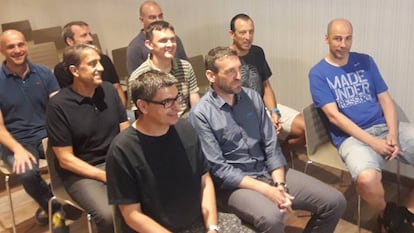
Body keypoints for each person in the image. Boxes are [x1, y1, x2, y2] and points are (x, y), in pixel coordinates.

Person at [189, 46, 346, 233]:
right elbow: (219, 169)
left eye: (239, 69)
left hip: (266, 171)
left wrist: (278, 184)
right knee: (272, 217)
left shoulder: (253, 98)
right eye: (230, 71)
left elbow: (271, 145)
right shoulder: (201, 114)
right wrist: (267, 191)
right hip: (234, 186)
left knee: (335, 202)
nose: (239, 76)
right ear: (211, 75)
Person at [309, 18, 414, 232]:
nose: (343, 44)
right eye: (337, 38)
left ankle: (409, 213)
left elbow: (385, 99)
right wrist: (374, 143)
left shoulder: (365, 61)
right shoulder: (318, 73)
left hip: (383, 127)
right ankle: (389, 215)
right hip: (351, 138)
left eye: (348, 38)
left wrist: (392, 133)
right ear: (326, 38)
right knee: (366, 180)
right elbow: (334, 117)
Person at [107, 70, 227, 233]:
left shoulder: (186, 129)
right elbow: (132, 214)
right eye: (167, 102)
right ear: (143, 106)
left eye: (177, 98)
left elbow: (204, 181)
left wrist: (212, 227)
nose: (177, 107)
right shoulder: (122, 149)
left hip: (196, 224)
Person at [47, 44, 129, 233]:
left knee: (153, 195)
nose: (100, 68)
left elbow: (125, 132)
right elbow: (66, 159)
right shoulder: (58, 105)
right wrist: (104, 176)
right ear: (74, 70)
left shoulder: (108, 90)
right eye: (92, 63)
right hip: (81, 172)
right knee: (109, 215)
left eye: (99, 62)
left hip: (115, 162)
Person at [0, 29, 60, 225]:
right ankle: (55, 210)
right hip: (15, 141)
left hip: (46, 135)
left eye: (21, 44)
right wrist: (18, 150)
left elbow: (58, 110)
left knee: (77, 155)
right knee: (27, 173)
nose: (17, 50)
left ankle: (63, 199)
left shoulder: (44, 73)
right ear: (2, 50)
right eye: (11, 46)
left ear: (26, 45)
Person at [229, 13, 305, 155]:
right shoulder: (226, 59)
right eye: (242, 32)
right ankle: (271, 159)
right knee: (263, 135)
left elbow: (266, 87)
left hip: (264, 107)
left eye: (251, 32)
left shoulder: (257, 52)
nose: (248, 37)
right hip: (242, 114)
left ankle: (280, 157)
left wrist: (274, 112)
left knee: (306, 129)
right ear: (232, 34)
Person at [128, 20, 199, 118]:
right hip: (158, 127)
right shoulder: (138, 77)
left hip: (186, 122)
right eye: (163, 41)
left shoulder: (185, 67)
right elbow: (140, 116)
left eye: (173, 39)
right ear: (149, 44)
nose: (170, 45)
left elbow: (195, 102)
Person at [54, 21, 127, 107]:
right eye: (84, 35)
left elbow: (117, 88)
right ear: (70, 41)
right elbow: (71, 102)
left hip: (112, 108)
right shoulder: (62, 70)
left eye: (90, 34)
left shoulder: (104, 59)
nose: (90, 39)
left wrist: (122, 112)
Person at [126, 0, 187, 75]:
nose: (158, 20)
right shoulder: (135, 47)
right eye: (152, 17)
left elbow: (185, 67)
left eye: (160, 16)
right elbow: (136, 81)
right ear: (142, 20)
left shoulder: (174, 39)